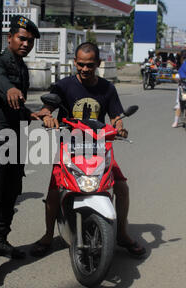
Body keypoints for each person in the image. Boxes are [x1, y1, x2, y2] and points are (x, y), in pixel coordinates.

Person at [29, 42, 146, 258]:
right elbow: (48, 107)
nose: (84, 69)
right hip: (69, 145)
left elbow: (116, 116)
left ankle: (121, 233)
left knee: (121, 187)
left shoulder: (107, 88)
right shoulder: (63, 86)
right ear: (75, 62)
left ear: (98, 64)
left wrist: (120, 128)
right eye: (80, 64)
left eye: (89, 65)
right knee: (54, 191)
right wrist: (46, 116)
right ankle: (47, 235)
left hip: (99, 146)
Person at [0, 15, 41, 279]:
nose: (26, 43)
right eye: (22, 38)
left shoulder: (22, 67)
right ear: (10, 38)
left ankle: (1, 239)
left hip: (14, 136)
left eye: (30, 41)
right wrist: (11, 88)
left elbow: (16, 106)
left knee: (12, 191)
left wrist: (31, 114)